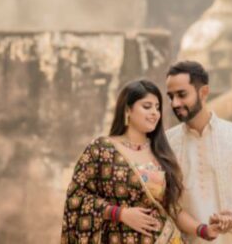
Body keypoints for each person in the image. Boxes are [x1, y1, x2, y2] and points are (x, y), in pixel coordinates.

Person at [61, 79, 222, 243]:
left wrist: (203, 230)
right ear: (128, 109)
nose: (155, 113)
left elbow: (173, 209)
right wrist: (120, 214)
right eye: (147, 106)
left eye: (157, 108)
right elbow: (76, 199)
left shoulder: (161, 153)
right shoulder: (101, 149)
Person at [165, 61, 232, 244]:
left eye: (182, 95)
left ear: (203, 92)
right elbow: (166, 203)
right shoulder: (166, 144)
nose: (175, 103)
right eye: (171, 96)